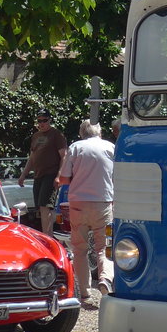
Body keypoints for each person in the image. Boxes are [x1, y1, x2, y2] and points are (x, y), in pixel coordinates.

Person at [56, 119, 115, 308]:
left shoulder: (76, 147)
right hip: (103, 202)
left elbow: (64, 179)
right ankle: (105, 279)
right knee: (104, 247)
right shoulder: (110, 147)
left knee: (80, 249)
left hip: (78, 203)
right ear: (100, 132)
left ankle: (85, 293)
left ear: (82, 133)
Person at [18, 109, 67, 234]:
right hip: (38, 175)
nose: (42, 123)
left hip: (50, 174)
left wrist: (59, 176)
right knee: (40, 208)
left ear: (49, 120)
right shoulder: (36, 136)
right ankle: (46, 234)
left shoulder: (56, 134)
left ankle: (48, 237)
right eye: (39, 121)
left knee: (46, 206)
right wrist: (23, 175)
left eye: (44, 120)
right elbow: (32, 158)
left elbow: (64, 156)